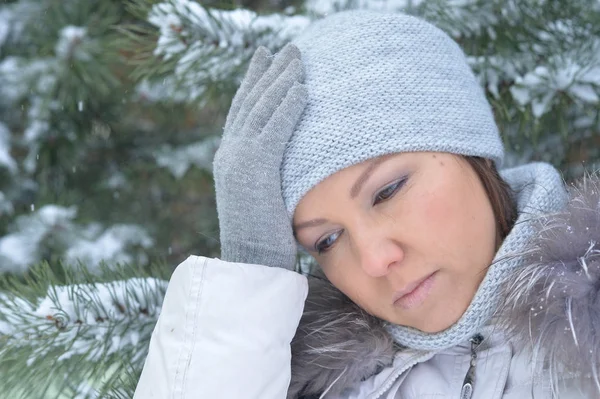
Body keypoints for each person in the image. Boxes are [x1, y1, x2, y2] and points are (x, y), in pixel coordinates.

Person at [133, 10, 600, 399]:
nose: (376, 261)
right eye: (327, 240)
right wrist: (253, 266)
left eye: (388, 190)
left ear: (470, 152)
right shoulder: (322, 385)